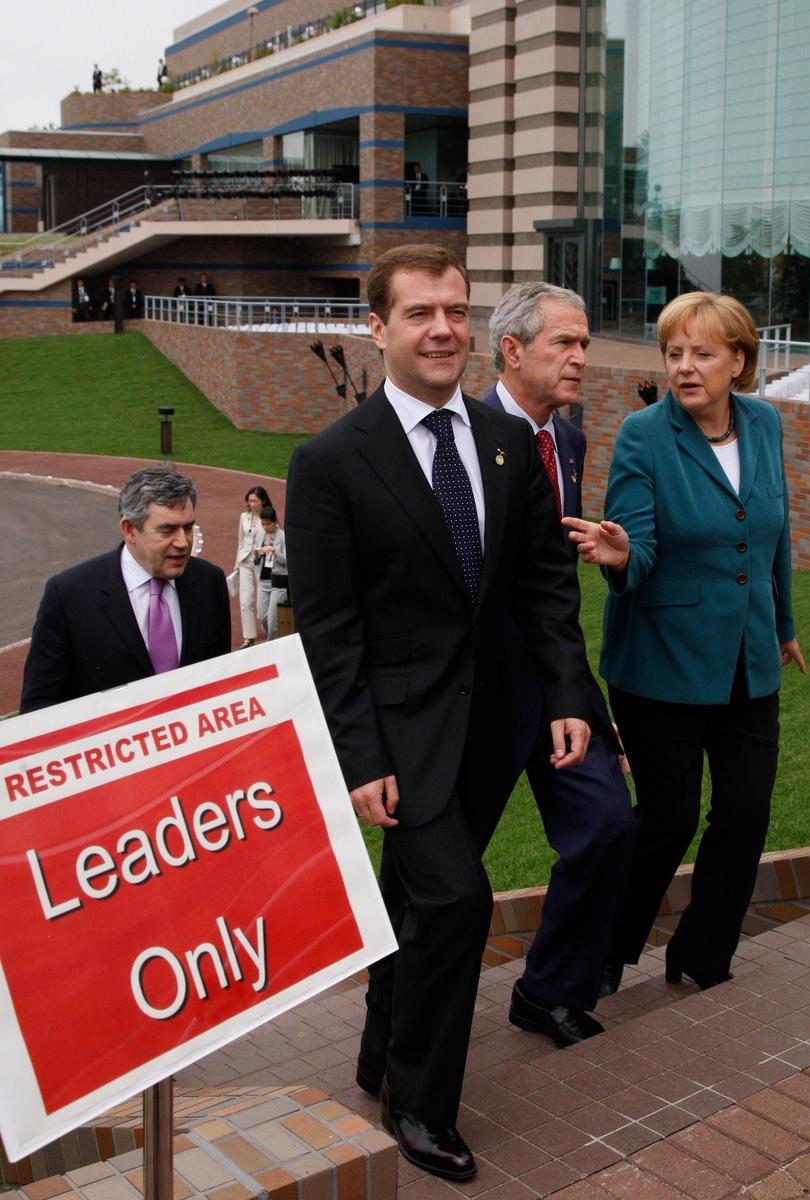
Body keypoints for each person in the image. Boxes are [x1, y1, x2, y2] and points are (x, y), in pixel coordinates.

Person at [286, 244, 593, 1180]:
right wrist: (357, 756)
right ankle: (419, 1104)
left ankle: (381, 1047)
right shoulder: (331, 462)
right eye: (420, 313)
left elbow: (543, 585)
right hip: (400, 735)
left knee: (410, 900)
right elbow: (329, 629)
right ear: (376, 329)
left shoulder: (505, 444)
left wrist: (569, 695)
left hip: (491, 726)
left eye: (456, 311)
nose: (443, 330)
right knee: (456, 902)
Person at [564, 291, 806, 995]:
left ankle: (702, 956)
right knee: (666, 821)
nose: (684, 367)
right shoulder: (644, 434)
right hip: (658, 662)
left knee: (745, 812)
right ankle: (604, 955)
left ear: (738, 360)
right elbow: (636, 545)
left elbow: (773, 533)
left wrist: (783, 624)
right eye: (673, 353)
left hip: (745, 661)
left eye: (701, 353)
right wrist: (618, 556)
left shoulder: (762, 424)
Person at [482, 282, 635, 1045]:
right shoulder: (466, 439)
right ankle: (395, 1038)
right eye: (564, 344)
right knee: (437, 880)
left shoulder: (565, 441)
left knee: (606, 824)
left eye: (584, 343)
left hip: (558, 687)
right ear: (512, 351)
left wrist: (586, 704)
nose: (581, 357)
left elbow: (553, 592)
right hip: (475, 699)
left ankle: (547, 990)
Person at [20, 465, 231, 713]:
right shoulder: (69, 596)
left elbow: (221, 682)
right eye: (168, 530)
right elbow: (38, 709)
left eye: (187, 528)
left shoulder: (210, 582)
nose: (183, 542)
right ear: (130, 530)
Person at [234, 485, 271, 648]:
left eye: (255, 500)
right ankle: (249, 637)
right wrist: (237, 564)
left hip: (262, 563)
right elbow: (240, 541)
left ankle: (270, 627)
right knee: (245, 600)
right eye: (249, 501)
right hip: (245, 561)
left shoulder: (269, 517)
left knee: (262, 604)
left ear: (263, 501)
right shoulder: (244, 517)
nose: (252, 504)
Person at [253, 505, 287, 641]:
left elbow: (287, 560)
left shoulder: (283, 536)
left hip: (278, 581)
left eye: (268, 524)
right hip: (263, 580)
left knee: (273, 620)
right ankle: (272, 639)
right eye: (263, 524)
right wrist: (256, 555)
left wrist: (274, 550)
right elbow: (256, 560)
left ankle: (271, 645)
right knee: (262, 616)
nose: (265, 527)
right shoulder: (260, 535)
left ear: (275, 521)